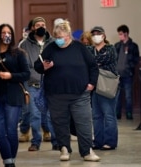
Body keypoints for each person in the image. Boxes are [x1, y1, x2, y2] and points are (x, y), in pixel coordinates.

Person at [34, 20, 100, 161]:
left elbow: (93, 66)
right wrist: (44, 67)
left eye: (61, 37)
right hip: (56, 95)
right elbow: (37, 65)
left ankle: (87, 151)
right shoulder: (50, 48)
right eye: (56, 37)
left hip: (80, 94)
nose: (58, 40)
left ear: (69, 35)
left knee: (84, 123)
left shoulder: (80, 48)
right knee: (60, 123)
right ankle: (64, 149)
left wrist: (91, 84)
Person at [0, 23, 30, 167]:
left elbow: (26, 74)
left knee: (11, 130)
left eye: (8, 32)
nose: (6, 35)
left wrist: (10, 75)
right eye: (3, 32)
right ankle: (8, 161)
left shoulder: (18, 53)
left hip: (13, 96)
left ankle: (10, 162)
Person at [19, 16, 57, 151]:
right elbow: (24, 65)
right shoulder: (24, 44)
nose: (41, 27)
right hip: (32, 83)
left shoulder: (53, 42)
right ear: (33, 28)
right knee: (34, 114)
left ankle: (55, 141)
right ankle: (35, 142)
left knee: (50, 114)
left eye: (43, 24)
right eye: (38, 25)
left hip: (50, 83)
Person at [87, 26, 119, 151]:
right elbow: (88, 60)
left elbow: (107, 58)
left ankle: (110, 142)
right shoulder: (90, 49)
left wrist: (93, 62)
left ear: (104, 35)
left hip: (108, 86)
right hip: (95, 86)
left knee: (109, 114)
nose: (96, 36)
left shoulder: (111, 48)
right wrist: (96, 62)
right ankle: (98, 141)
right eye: (93, 34)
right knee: (96, 116)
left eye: (98, 33)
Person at [114, 25, 140, 120]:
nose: (119, 36)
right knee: (117, 96)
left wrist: (129, 67)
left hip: (128, 74)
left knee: (128, 95)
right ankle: (117, 113)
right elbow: (114, 59)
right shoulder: (117, 45)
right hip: (117, 75)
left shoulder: (133, 46)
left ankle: (129, 113)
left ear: (126, 33)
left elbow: (136, 59)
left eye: (120, 34)